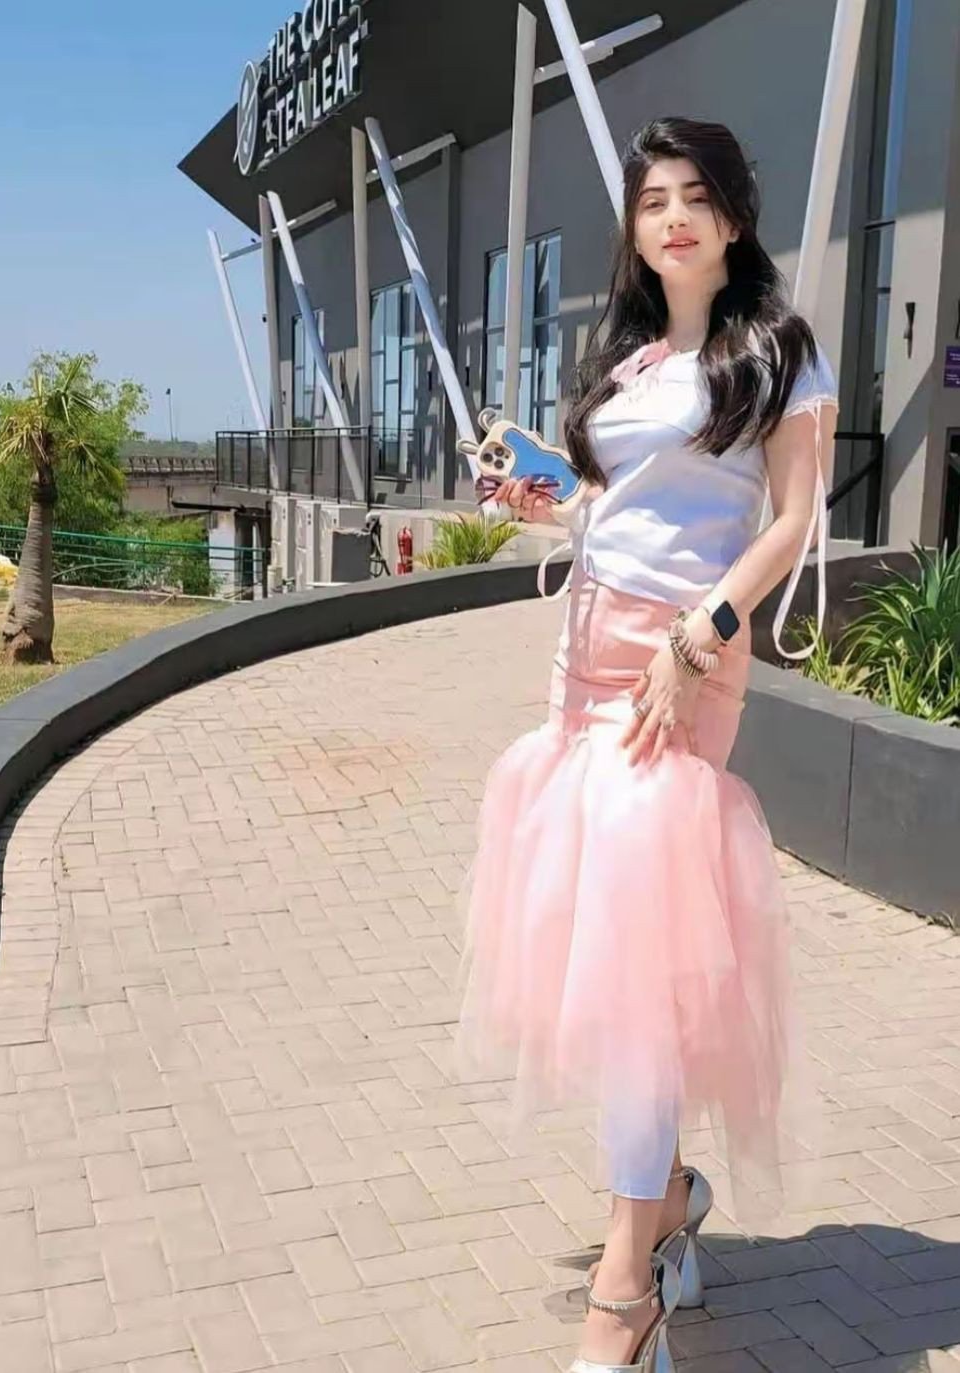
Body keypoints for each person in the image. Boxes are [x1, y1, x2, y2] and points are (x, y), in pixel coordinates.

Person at [455, 116, 838, 1373]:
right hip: (583, 653)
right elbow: (609, 505)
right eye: (652, 198)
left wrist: (702, 632)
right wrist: (541, 498)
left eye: (694, 195)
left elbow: (790, 518)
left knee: (635, 958)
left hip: (683, 656)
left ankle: (625, 1291)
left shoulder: (775, 347)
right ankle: (664, 1200)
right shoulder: (624, 360)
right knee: (615, 949)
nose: (672, 217)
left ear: (733, 214)